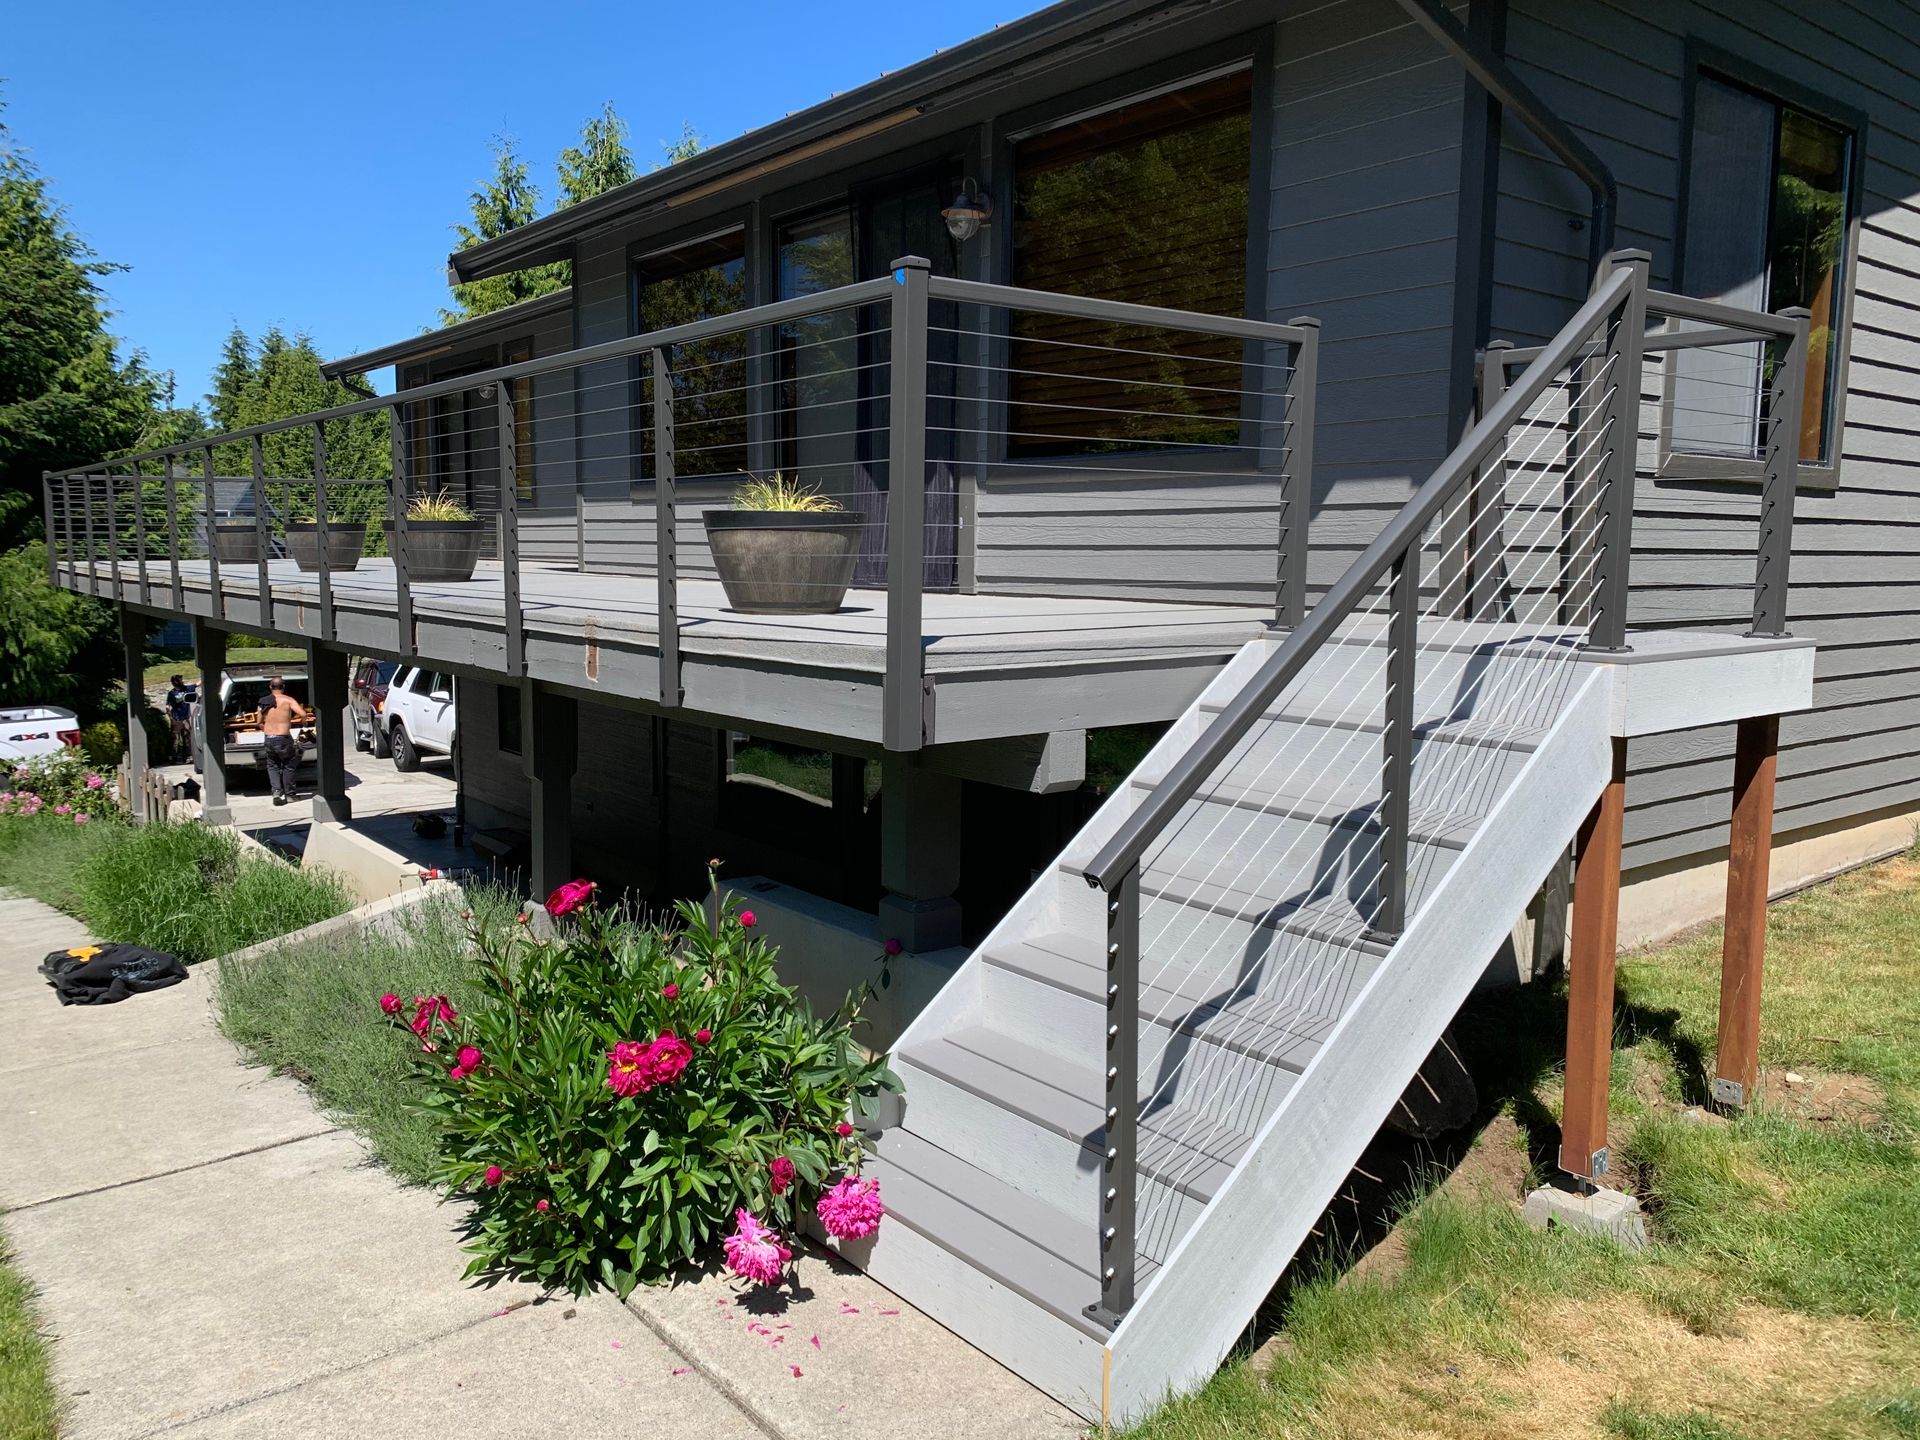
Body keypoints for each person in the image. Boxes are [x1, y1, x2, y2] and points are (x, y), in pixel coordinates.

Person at [260, 677, 310, 807]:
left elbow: (258, 720)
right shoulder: (288, 700)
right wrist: (303, 722)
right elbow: (303, 714)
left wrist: (264, 727)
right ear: (283, 687)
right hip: (283, 738)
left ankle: (276, 791)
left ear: (270, 687)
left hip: (268, 738)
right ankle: (290, 794)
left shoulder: (264, 701)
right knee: (288, 765)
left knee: (272, 765)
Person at [164, 675, 195, 763]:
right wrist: (170, 718)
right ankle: (173, 757)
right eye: (180, 680)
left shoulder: (187, 689)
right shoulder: (171, 693)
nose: (182, 681)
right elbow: (168, 705)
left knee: (187, 738)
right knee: (175, 739)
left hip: (185, 718)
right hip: (175, 718)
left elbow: (197, 684)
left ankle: (188, 757)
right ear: (176, 682)